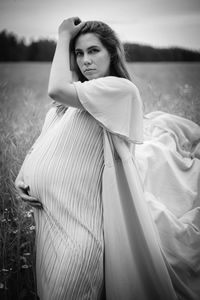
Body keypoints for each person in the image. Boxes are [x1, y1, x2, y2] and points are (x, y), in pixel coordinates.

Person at [15, 17, 200, 300]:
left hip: (82, 222)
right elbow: (43, 143)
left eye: (93, 51)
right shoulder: (66, 107)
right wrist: (25, 177)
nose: (85, 60)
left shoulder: (118, 89)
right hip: (51, 218)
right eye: (79, 53)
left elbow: (56, 88)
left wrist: (64, 36)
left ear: (111, 53)